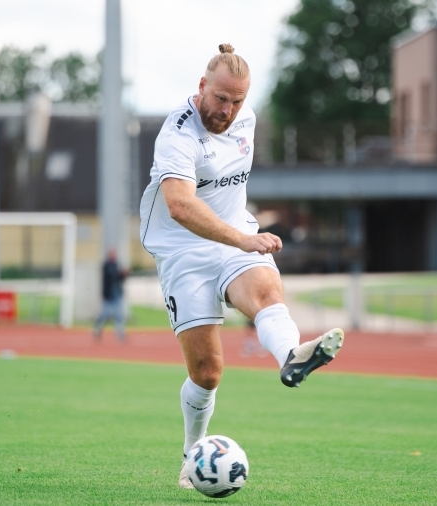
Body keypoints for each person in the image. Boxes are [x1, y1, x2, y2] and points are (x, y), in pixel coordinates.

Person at [138, 43, 344, 489]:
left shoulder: (245, 119)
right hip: (182, 251)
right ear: (201, 87)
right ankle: (192, 453)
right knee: (207, 373)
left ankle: (292, 355)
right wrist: (245, 239)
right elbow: (179, 206)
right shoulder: (177, 134)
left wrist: (243, 241)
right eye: (220, 99)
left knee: (267, 293)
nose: (228, 110)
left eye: (237, 101)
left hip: (234, 235)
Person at [93, 248, 128, 341]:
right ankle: (97, 330)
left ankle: (120, 334)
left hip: (117, 295)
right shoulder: (106, 265)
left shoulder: (116, 264)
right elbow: (112, 275)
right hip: (108, 296)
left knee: (119, 315)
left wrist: (124, 274)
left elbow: (120, 278)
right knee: (104, 315)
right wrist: (121, 273)